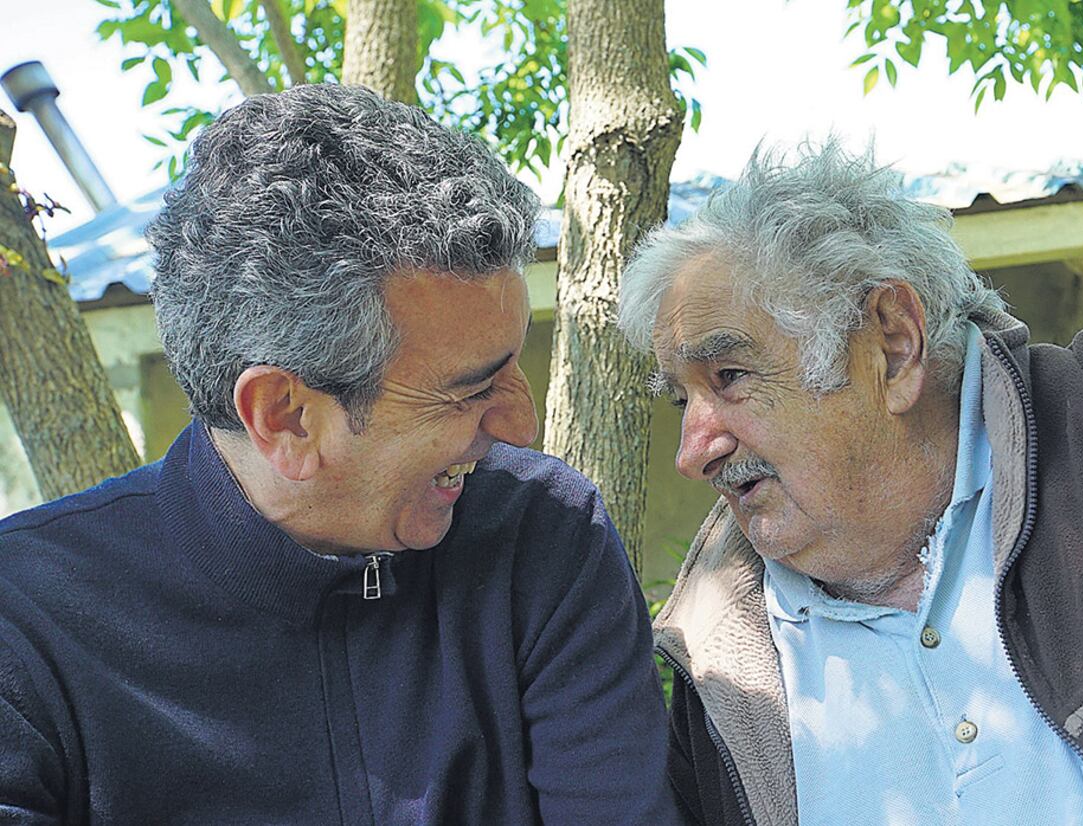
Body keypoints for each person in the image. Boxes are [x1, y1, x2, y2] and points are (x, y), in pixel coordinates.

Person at [0, 84, 678, 825]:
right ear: (286, 416)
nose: (521, 423)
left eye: (513, 363)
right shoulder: (27, 618)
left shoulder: (545, 538)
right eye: (469, 389)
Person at [617, 140, 1083, 826]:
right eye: (683, 400)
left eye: (729, 377)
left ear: (893, 343)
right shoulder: (721, 668)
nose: (693, 452)